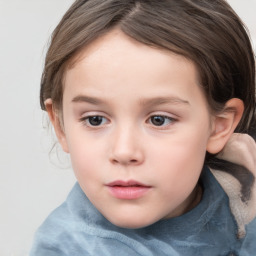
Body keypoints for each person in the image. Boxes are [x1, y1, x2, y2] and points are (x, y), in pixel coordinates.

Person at [30, 0, 256, 255]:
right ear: (60, 124)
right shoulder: (67, 249)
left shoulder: (242, 189)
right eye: (95, 119)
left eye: (159, 119)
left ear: (219, 126)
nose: (124, 151)